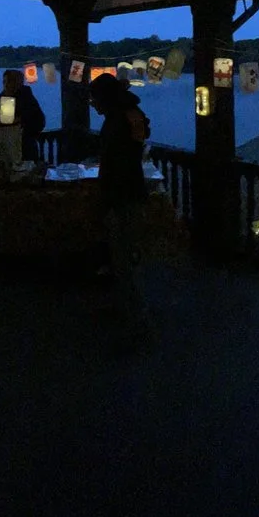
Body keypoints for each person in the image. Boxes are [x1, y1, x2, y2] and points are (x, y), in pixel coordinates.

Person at [91, 74, 155, 349]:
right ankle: (124, 308)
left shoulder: (119, 120)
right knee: (120, 258)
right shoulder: (128, 114)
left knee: (125, 261)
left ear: (105, 98)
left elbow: (118, 165)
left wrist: (108, 199)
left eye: (94, 99)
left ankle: (138, 324)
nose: (93, 104)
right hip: (126, 193)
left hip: (123, 196)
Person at [0, 69, 48, 163]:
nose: (5, 84)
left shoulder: (25, 96)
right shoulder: (5, 96)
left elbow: (38, 120)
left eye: (8, 81)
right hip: (7, 145)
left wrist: (24, 130)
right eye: (4, 81)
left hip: (26, 145)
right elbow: (4, 119)